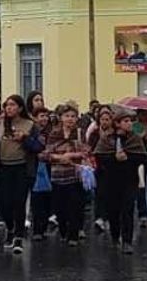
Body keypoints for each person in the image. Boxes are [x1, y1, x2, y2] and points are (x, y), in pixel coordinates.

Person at [94, 109, 147, 254]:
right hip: (111, 180)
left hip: (129, 179)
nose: (129, 124)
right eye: (126, 121)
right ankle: (115, 236)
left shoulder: (135, 139)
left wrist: (128, 158)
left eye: (130, 121)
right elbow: (99, 158)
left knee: (128, 209)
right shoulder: (107, 138)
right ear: (117, 123)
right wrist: (114, 158)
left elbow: (142, 157)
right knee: (113, 210)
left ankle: (127, 241)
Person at [0, 95, 38, 254]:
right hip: (4, 167)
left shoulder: (30, 124)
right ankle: (10, 228)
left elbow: (38, 146)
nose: (9, 108)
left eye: (13, 105)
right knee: (5, 203)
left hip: (22, 167)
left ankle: (19, 236)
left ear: (20, 108)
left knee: (19, 202)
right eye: (7, 105)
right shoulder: (0, 124)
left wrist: (25, 138)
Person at [46, 104, 89, 247]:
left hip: (75, 175)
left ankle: (73, 235)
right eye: (67, 116)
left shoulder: (80, 133)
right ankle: (63, 230)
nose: (70, 119)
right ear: (61, 118)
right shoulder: (54, 134)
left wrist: (71, 155)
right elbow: (47, 154)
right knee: (60, 207)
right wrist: (60, 158)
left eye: (73, 116)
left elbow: (86, 152)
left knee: (75, 206)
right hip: (57, 175)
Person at [87, 106, 113, 233]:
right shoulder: (95, 133)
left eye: (107, 119)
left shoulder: (115, 134)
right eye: (103, 119)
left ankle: (108, 216)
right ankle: (99, 217)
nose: (105, 122)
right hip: (97, 165)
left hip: (111, 166)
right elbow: (90, 148)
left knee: (110, 193)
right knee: (99, 192)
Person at [30, 107, 53, 241]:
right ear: (34, 118)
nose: (44, 119)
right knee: (37, 199)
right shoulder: (32, 131)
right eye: (41, 116)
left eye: (46, 116)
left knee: (47, 198)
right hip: (35, 167)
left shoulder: (51, 131)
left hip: (49, 166)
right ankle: (37, 229)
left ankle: (44, 227)